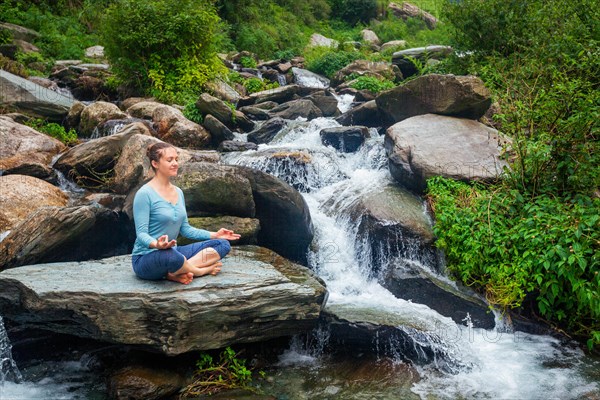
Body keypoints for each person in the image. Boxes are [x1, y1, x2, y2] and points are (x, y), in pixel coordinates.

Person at [132, 142, 240, 284]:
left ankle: (176, 272)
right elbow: (141, 234)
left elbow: (186, 229)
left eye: (176, 159)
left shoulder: (178, 192)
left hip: (174, 252)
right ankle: (200, 271)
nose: (175, 163)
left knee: (222, 244)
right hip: (146, 258)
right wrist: (156, 245)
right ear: (155, 163)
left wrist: (215, 234)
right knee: (171, 256)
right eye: (169, 160)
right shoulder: (144, 194)